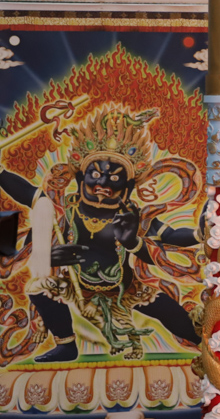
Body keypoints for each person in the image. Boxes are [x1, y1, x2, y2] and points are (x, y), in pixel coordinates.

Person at [0, 105, 202, 363]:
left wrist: (200, 233)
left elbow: (170, 236)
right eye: (95, 174)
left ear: (128, 186)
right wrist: (48, 256)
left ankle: (204, 342)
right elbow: (27, 193)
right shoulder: (66, 210)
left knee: (167, 309)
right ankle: (66, 345)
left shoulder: (131, 217)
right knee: (37, 287)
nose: (103, 184)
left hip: (123, 288)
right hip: (75, 285)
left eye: (115, 179)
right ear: (81, 177)